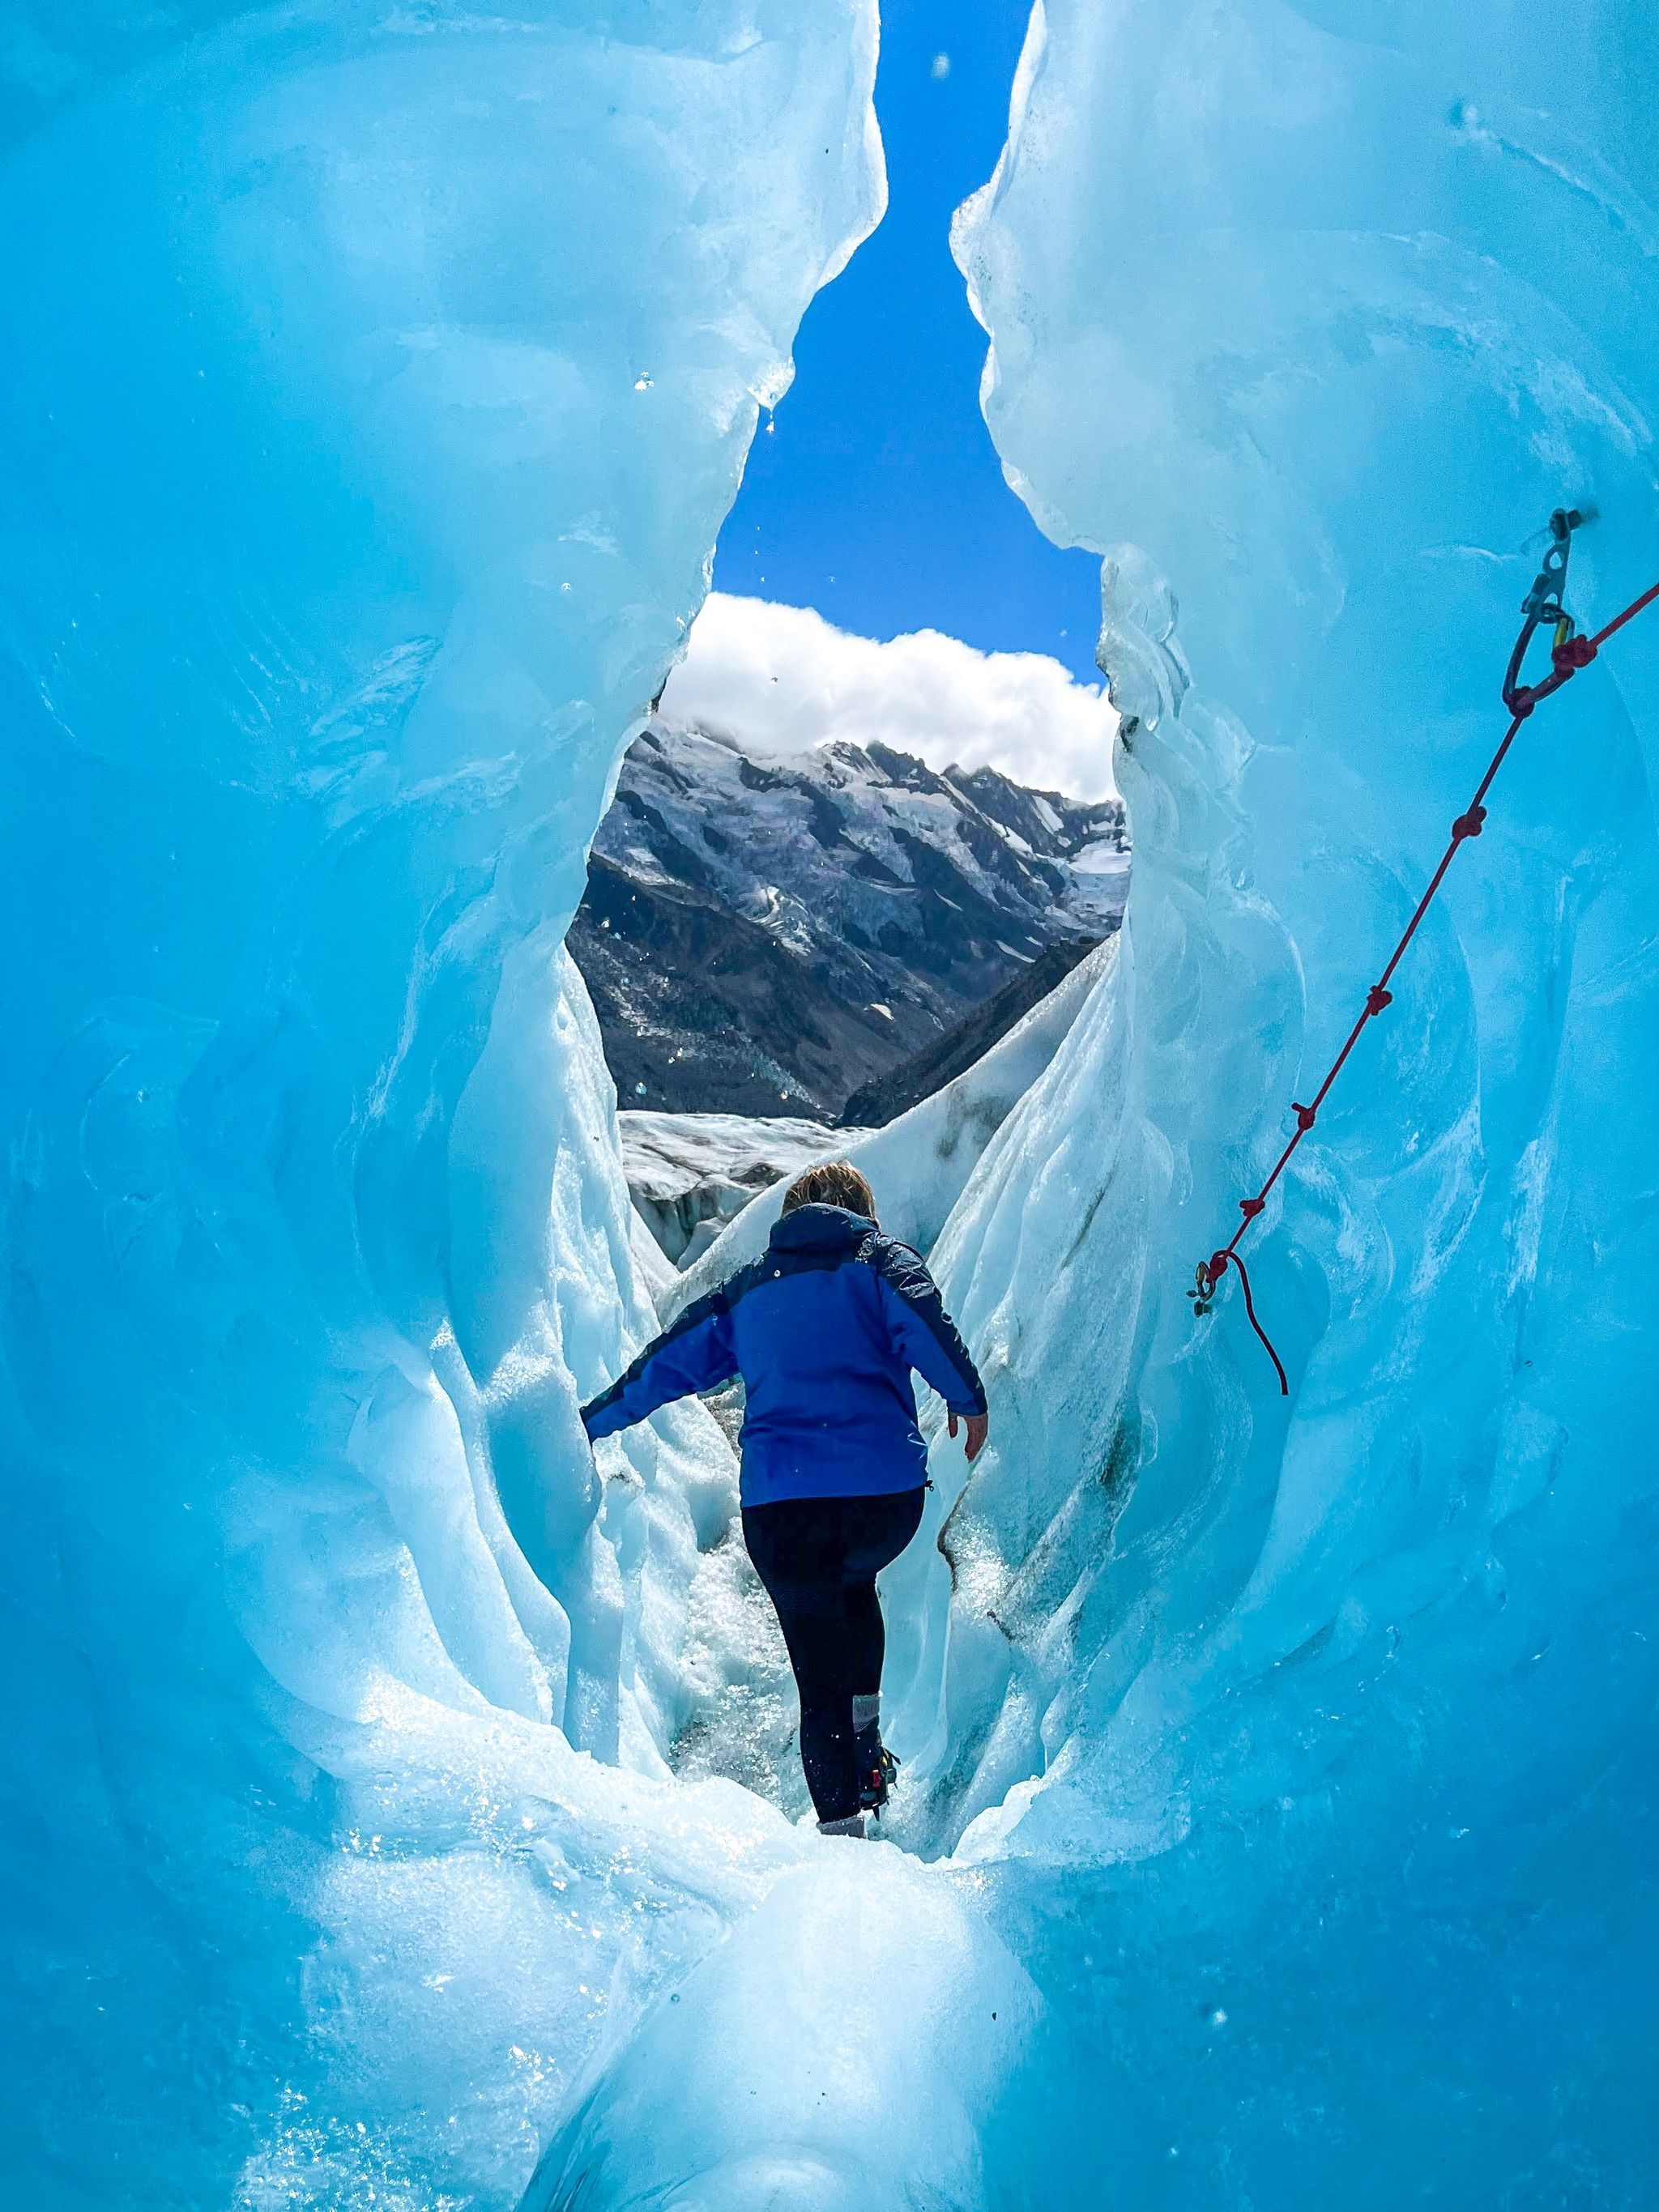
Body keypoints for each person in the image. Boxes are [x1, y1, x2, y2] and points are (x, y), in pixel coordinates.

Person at [581, 1161, 988, 1838]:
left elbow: (666, 1364)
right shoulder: (878, 1258)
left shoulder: (752, 1289)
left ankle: (841, 1834)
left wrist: (591, 1422)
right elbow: (925, 1319)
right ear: (863, 1210)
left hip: (785, 1511)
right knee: (856, 1587)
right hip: (880, 1504)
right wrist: (967, 1398)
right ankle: (867, 1755)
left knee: (815, 1665)